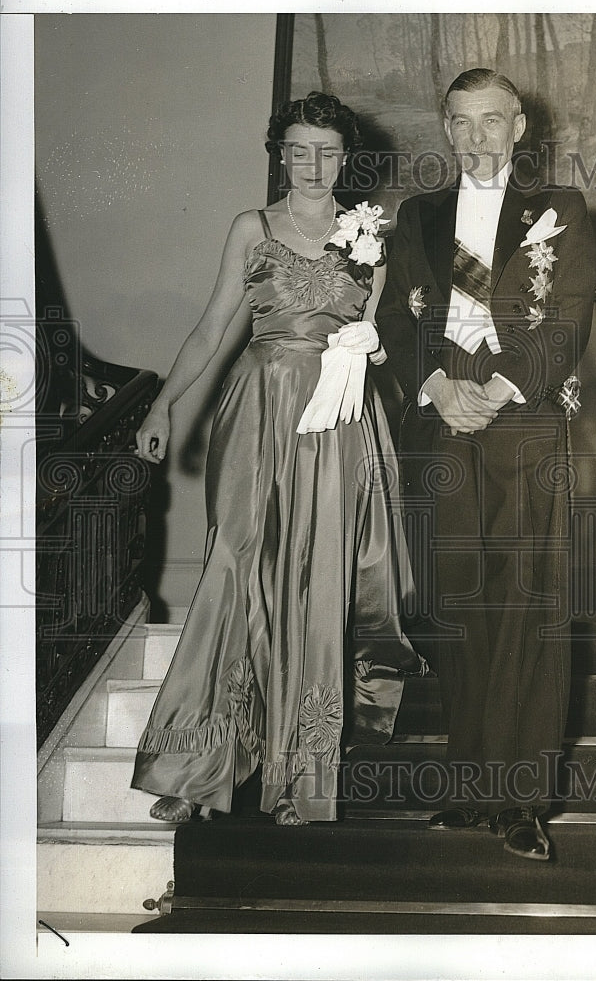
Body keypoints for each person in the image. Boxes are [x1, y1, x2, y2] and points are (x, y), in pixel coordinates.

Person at [131, 91, 424, 827]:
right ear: (281, 154)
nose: (314, 164)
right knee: (236, 568)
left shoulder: (371, 236)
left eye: (328, 150)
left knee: (323, 580)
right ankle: (199, 767)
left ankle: (303, 771)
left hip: (342, 422)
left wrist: (374, 343)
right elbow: (209, 331)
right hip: (259, 413)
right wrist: (164, 403)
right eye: (299, 149)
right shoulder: (251, 228)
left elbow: (379, 338)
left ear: (346, 158)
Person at [375, 69, 596, 860]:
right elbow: (395, 323)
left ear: (518, 128)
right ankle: (472, 790)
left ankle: (524, 799)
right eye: (461, 123)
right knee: (457, 603)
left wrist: (497, 390)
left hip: (525, 423)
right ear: (446, 126)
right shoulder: (418, 218)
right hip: (440, 425)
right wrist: (437, 387)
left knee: (527, 606)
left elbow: (567, 318)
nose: (476, 138)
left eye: (492, 122)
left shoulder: (559, 210)